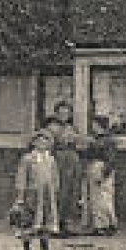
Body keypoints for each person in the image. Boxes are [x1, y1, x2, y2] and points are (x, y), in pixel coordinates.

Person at [12, 129, 61, 250]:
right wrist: (21, 195)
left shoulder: (50, 159)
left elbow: (55, 177)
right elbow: (21, 178)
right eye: (39, 141)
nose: (42, 144)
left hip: (47, 195)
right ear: (34, 143)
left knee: (46, 221)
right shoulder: (28, 159)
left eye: (45, 141)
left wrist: (54, 191)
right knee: (28, 221)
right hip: (32, 195)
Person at [45, 100, 84, 237]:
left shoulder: (72, 128)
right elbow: (48, 145)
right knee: (59, 191)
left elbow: (79, 142)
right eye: (61, 113)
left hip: (72, 160)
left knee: (72, 193)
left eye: (67, 113)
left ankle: (66, 223)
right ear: (56, 114)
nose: (64, 115)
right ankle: (54, 225)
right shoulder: (51, 128)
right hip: (59, 160)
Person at [78, 114, 118, 235]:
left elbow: (111, 159)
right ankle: (101, 224)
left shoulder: (107, 140)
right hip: (95, 167)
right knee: (96, 197)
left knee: (102, 197)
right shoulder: (96, 139)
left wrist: (104, 173)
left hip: (101, 167)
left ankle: (104, 225)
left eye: (95, 124)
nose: (93, 127)